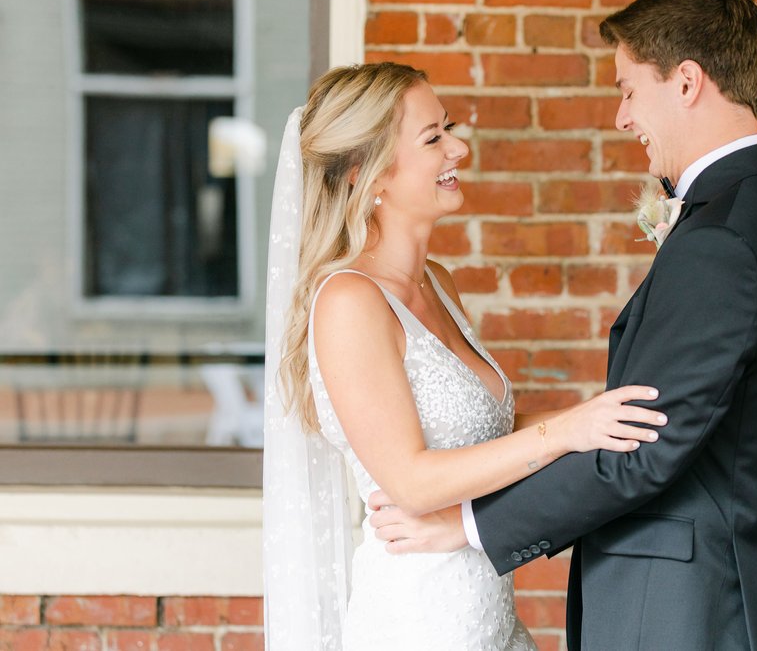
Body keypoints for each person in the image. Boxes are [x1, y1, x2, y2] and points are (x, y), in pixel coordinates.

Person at [369, 0, 757, 650]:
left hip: (684, 613)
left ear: (686, 82)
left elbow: (641, 447)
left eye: (628, 90)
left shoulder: (722, 242)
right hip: (716, 596)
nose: (621, 117)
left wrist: (467, 525)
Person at [261, 62, 665, 651]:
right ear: (364, 173)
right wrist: (564, 432)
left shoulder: (437, 282)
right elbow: (411, 481)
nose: (459, 148)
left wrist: (594, 420)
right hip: (418, 621)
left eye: (448, 128)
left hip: (488, 614)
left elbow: (484, 434)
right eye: (434, 138)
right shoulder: (349, 301)